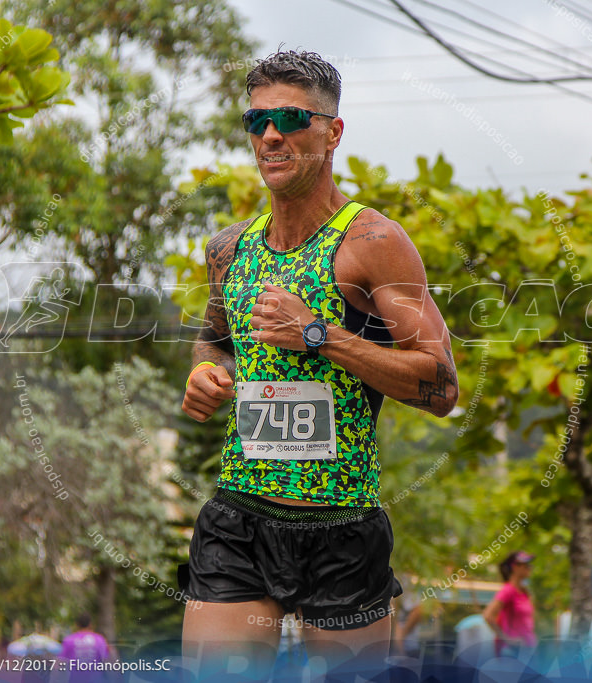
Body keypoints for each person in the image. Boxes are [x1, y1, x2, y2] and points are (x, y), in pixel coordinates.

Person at [179, 49, 458, 678]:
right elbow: (214, 340)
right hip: (239, 521)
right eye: (257, 121)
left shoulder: (373, 244)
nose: (271, 134)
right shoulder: (229, 250)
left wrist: (318, 335)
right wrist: (205, 374)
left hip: (341, 528)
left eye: (290, 118)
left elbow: (440, 385)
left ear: (332, 133)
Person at [482, 551, 536, 657]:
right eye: (526, 565)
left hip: (527, 651)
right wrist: (507, 639)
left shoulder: (524, 593)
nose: (529, 568)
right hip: (512, 654)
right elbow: (488, 615)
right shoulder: (508, 590)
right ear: (515, 567)